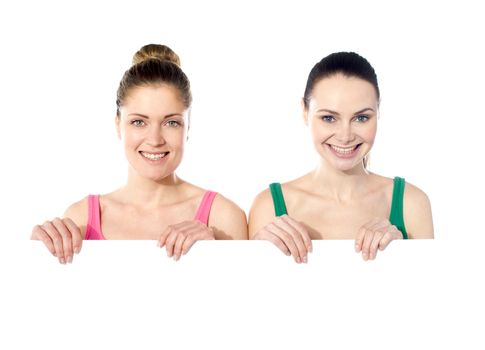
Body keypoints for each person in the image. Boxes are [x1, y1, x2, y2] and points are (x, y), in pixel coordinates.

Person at [31, 44, 248, 264]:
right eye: (138, 122)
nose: (155, 139)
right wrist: (35, 257)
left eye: (171, 122)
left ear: (188, 127)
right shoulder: (81, 219)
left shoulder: (224, 218)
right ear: (118, 125)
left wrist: (215, 258)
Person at [248, 52, 433, 263]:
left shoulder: (412, 203)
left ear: (378, 111)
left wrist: (403, 255)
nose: (345, 136)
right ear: (304, 111)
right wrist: (255, 255)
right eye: (329, 118)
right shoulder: (269, 206)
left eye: (361, 118)